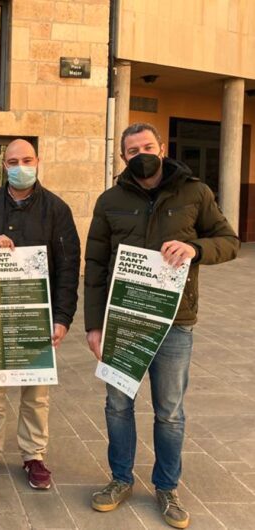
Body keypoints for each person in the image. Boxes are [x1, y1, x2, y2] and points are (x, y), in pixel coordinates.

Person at [85, 123, 239, 528]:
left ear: (162, 148)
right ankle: (121, 479)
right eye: (132, 150)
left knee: (169, 411)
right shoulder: (110, 200)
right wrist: (94, 325)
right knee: (118, 406)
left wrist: (195, 248)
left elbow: (229, 241)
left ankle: (167, 487)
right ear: (123, 157)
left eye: (147, 147)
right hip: (124, 319)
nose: (141, 155)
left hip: (175, 322)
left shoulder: (195, 192)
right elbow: (95, 265)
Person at [0, 138, 80, 489]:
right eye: (13, 162)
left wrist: (62, 317)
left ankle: (33, 454)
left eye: (26, 160)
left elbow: (68, 266)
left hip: (36, 316)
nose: (20, 167)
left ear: (37, 162)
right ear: (4, 166)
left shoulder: (57, 209)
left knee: (36, 394)